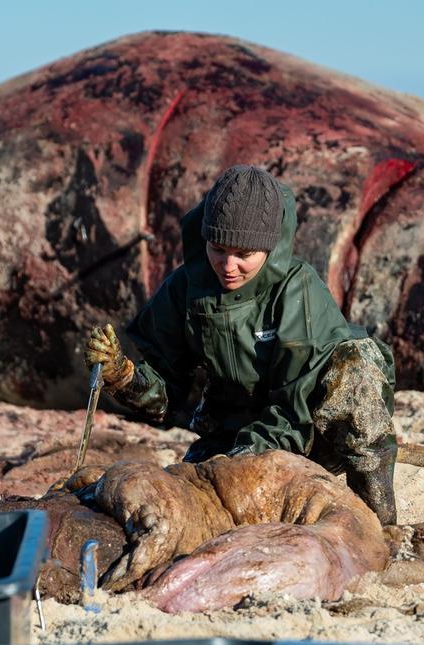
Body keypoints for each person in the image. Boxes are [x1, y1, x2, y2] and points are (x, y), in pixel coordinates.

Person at [84, 165, 400, 524]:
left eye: (244, 254)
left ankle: (379, 523)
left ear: (269, 246)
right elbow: (169, 396)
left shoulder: (298, 291)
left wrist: (246, 462)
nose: (228, 266)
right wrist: (124, 377)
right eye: (218, 249)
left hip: (310, 436)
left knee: (357, 362)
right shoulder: (185, 289)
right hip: (232, 436)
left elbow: (292, 416)